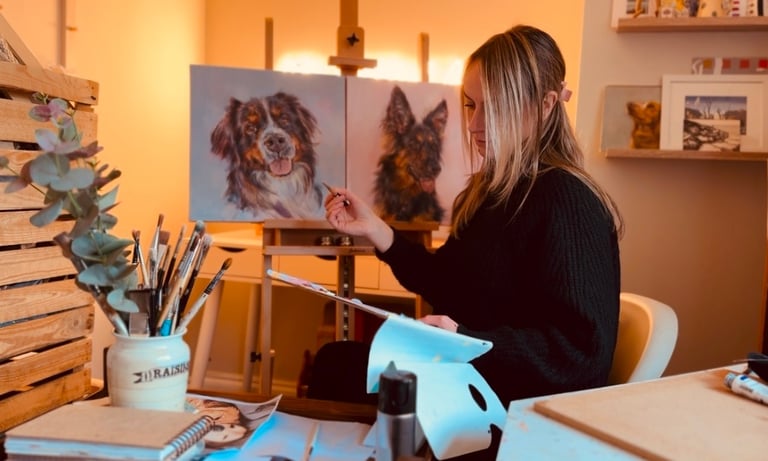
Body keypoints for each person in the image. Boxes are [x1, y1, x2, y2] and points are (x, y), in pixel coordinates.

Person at [320, 24, 623, 460]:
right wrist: (375, 229)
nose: (475, 124)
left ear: (545, 105)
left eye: (494, 106)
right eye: (470, 104)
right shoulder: (490, 193)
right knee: (336, 362)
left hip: (511, 406)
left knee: (338, 370)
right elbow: (446, 281)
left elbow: (582, 355)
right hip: (469, 376)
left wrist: (467, 339)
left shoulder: (566, 200)